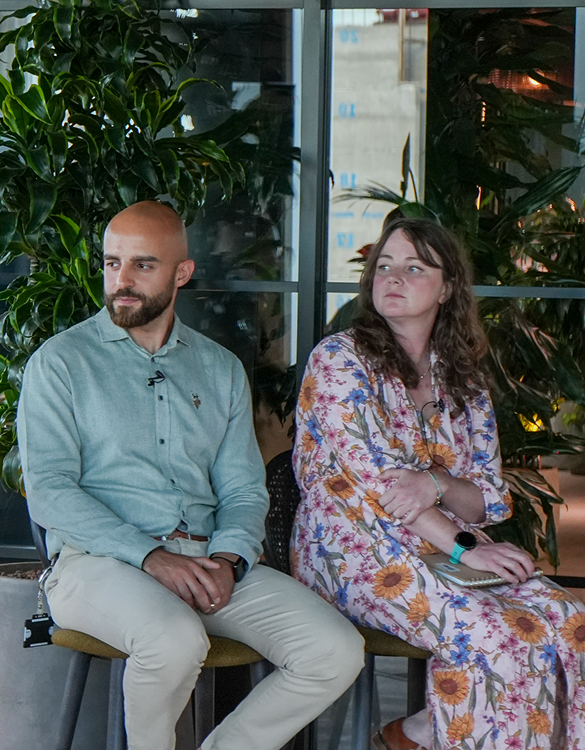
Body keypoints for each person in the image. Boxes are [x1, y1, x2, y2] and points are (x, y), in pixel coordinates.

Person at [19, 201, 364, 750]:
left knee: (335, 650)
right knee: (173, 638)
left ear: (182, 273)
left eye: (142, 265)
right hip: (97, 565)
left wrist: (229, 558)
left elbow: (243, 489)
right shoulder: (60, 363)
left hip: (206, 559)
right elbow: (51, 492)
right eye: (112, 263)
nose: (121, 281)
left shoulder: (219, 368)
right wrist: (152, 558)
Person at [293, 218, 585, 750]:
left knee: (565, 619)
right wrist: (465, 547)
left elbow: (488, 496)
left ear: (447, 288)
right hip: (355, 552)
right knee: (494, 637)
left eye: (415, 267)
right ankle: (425, 735)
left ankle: (419, 733)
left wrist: (437, 484)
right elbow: (385, 489)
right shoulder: (340, 360)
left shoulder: (460, 377)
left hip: (443, 549)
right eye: (384, 266)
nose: (393, 278)